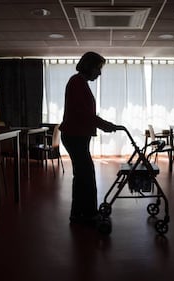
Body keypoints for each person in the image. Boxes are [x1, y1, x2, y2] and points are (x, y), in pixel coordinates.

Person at [59, 51, 117, 226]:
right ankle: (86, 214)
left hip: (77, 136)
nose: (99, 73)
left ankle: (80, 213)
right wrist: (105, 124)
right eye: (98, 68)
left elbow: (85, 113)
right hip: (74, 136)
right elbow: (84, 114)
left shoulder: (80, 82)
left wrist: (103, 123)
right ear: (89, 67)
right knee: (85, 175)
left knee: (83, 174)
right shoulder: (77, 82)